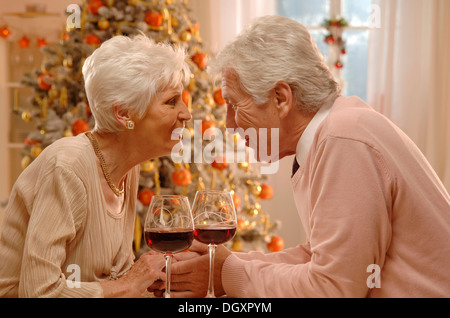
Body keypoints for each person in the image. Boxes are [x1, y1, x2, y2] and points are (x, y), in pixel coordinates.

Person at [169, 15, 450, 298]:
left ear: (281, 98)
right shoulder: (335, 129)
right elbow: (319, 258)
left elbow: (334, 288)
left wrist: (227, 276)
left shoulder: (343, 140)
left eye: (235, 105)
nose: (229, 124)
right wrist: (229, 265)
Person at [0, 34, 192, 297]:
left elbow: (113, 276)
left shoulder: (126, 167)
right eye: (171, 101)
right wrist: (129, 284)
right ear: (124, 114)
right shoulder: (68, 167)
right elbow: (38, 291)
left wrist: (150, 283)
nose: (187, 113)